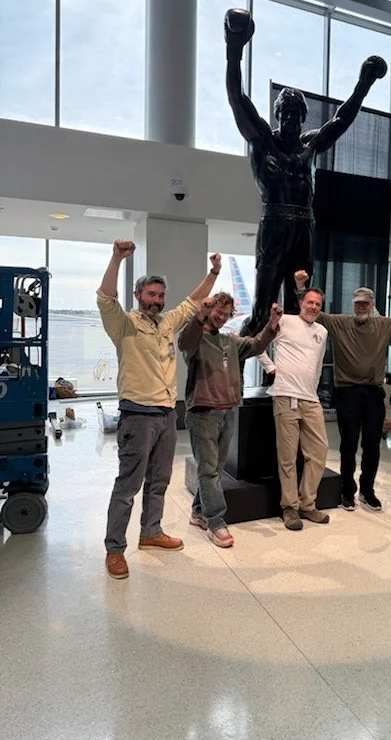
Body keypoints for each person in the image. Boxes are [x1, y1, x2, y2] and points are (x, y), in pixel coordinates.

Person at [224, 7, 387, 335]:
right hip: (274, 225)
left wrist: (364, 84)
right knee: (261, 313)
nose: (289, 120)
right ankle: (236, 362)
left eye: (295, 114)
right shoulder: (262, 140)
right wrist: (235, 48)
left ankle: (290, 364)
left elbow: (341, 119)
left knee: (300, 313)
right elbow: (237, 98)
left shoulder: (310, 145)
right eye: (284, 113)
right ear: (277, 115)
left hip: (303, 228)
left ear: (302, 118)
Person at [98, 240, 221, 579]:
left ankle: (151, 531)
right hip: (137, 415)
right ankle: (114, 548)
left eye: (160, 295)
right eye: (151, 294)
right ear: (138, 295)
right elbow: (106, 298)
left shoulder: (166, 323)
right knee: (128, 486)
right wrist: (116, 258)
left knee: (159, 481)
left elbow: (192, 302)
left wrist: (213, 273)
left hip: (167, 414)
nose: (156, 300)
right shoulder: (124, 325)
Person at [294, 270, 391, 512]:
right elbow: (312, 311)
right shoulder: (341, 322)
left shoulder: (384, 324)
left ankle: (367, 491)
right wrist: (301, 287)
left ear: (372, 305)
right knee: (348, 444)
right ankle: (347, 491)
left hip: (373, 393)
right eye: (358, 303)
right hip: (347, 392)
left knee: (372, 445)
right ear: (353, 305)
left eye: (365, 303)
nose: (361, 307)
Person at [178, 294, 282, 548]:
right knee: (209, 470)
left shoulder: (230, 341)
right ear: (209, 310)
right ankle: (215, 521)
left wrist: (271, 326)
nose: (222, 317)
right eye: (218, 312)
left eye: (226, 314)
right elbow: (185, 341)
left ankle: (198, 511)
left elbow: (256, 345)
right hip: (203, 413)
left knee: (214, 468)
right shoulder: (196, 338)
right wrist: (199, 316)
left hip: (228, 410)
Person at [258, 288, 330, 531]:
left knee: (318, 452)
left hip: (310, 399)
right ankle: (290, 507)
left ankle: (308, 504)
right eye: (310, 302)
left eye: (317, 304)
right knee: (287, 457)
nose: (313, 307)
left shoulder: (322, 331)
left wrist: (314, 389)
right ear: (301, 303)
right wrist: (270, 368)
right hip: (285, 395)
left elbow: (318, 365)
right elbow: (258, 344)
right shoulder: (285, 321)